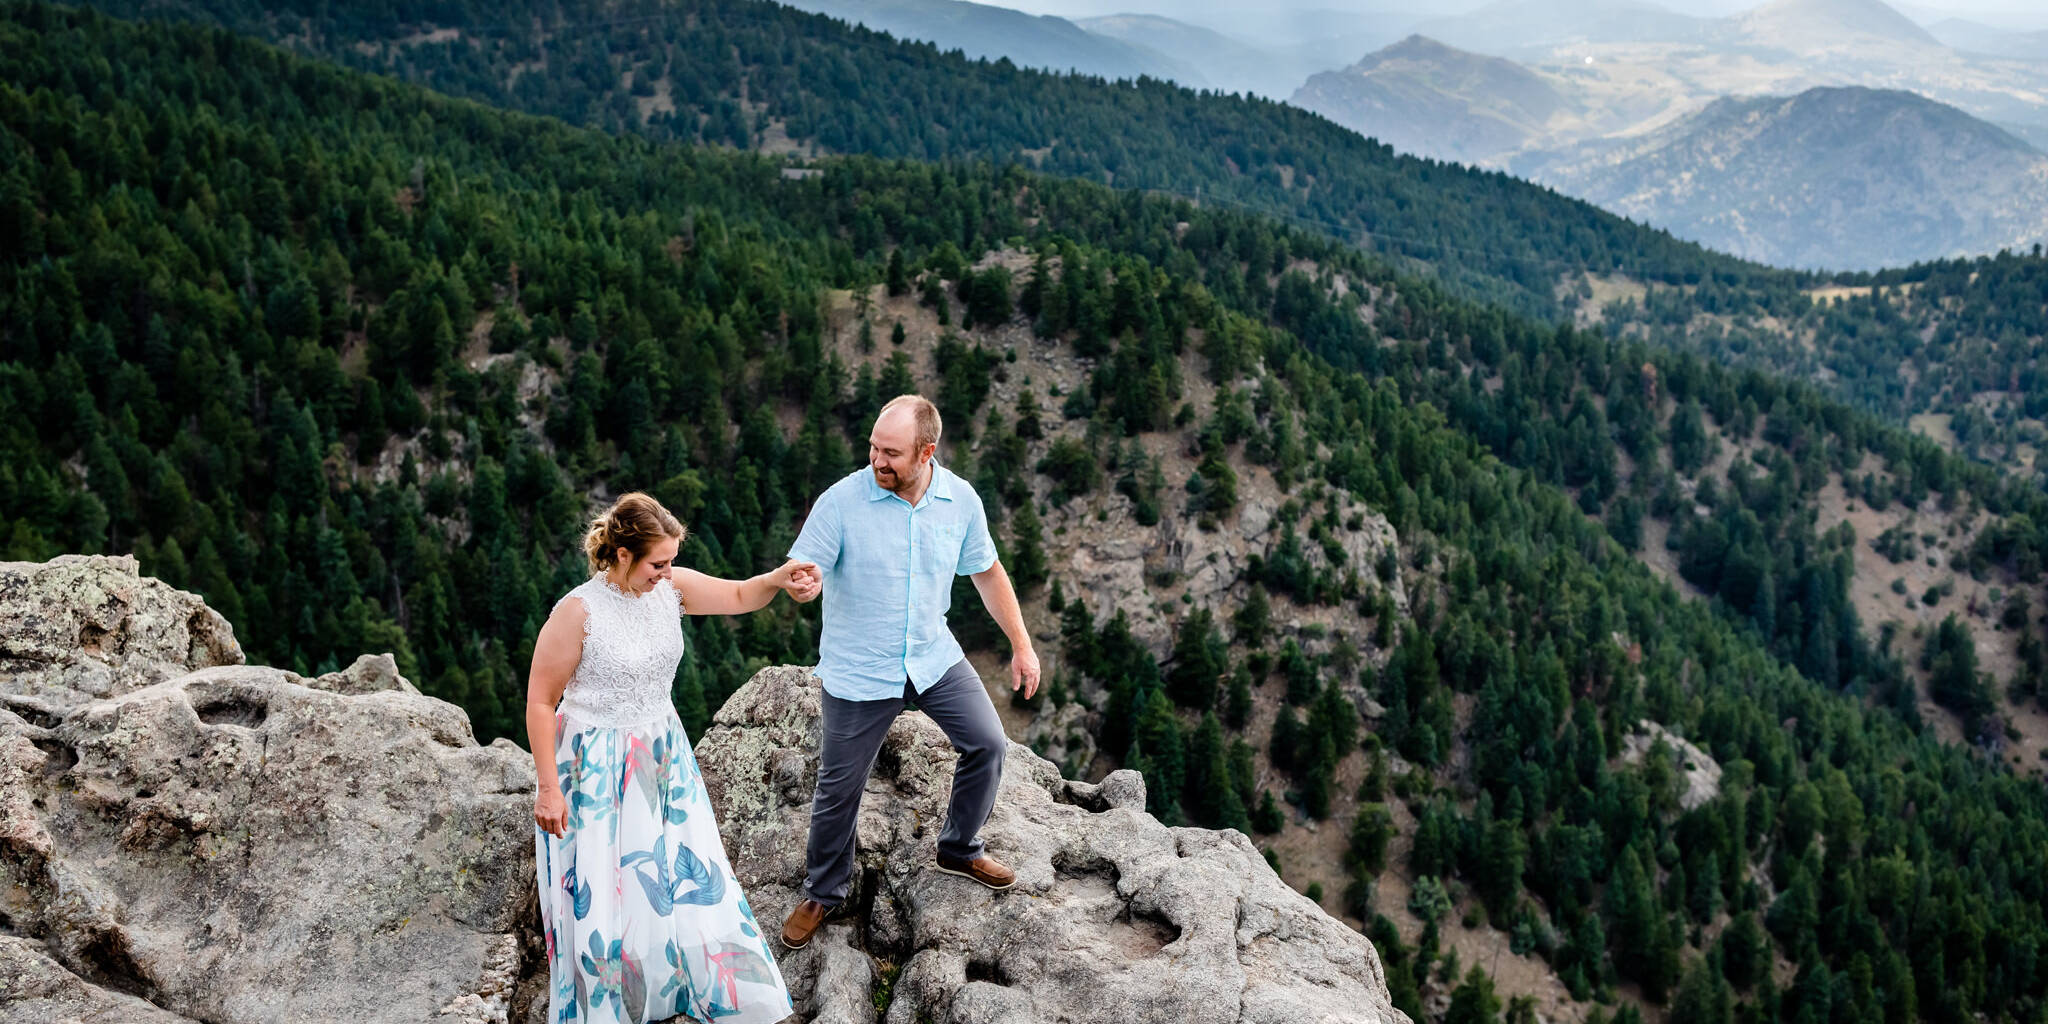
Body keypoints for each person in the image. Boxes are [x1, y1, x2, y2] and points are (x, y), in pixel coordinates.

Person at [527, 492, 818, 1024]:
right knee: (604, 887)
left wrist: (778, 578)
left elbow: (735, 595)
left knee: (677, 873)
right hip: (592, 766)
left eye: (670, 561)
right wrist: (548, 787)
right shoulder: (577, 612)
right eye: (657, 562)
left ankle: (681, 985)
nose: (667, 572)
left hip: (661, 755)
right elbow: (541, 702)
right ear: (620, 555)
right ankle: (611, 1003)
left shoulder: (671, 590)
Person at [779, 394, 1041, 950]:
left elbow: (989, 574)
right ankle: (823, 892)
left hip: (931, 654)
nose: (877, 460)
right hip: (860, 665)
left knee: (989, 744)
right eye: (873, 447)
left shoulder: (960, 501)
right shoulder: (843, 501)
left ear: (927, 452)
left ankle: (959, 848)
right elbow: (805, 567)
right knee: (838, 788)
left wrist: (1021, 644)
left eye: (891, 452)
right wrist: (805, 582)